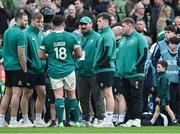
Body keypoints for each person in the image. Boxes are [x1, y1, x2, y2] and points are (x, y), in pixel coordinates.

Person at [39, 15, 82, 127]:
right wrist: (71, 55)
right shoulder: (71, 37)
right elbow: (79, 54)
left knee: (58, 97)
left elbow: (40, 55)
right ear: (64, 24)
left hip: (55, 70)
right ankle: (77, 121)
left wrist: (50, 56)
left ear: (53, 25)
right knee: (71, 95)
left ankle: (60, 122)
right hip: (69, 69)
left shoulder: (47, 38)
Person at [118, 18, 148, 127]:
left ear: (130, 26)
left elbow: (144, 54)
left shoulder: (140, 38)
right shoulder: (122, 40)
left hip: (136, 74)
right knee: (127, 96)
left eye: (123, 26)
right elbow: (119, 56)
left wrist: (135, 67)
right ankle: (130, 119)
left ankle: (137, 119)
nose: (122, 28)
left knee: (137, 96)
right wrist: (119, 69)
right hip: (124, 74)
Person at [0, 11, 28, 128]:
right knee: (17, 94)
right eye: (25, 20)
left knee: (7, 93)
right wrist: (25, 69)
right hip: (17, 67)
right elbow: (21, 55)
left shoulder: (6, 32)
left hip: (8, 67)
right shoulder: (20, 34)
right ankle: (13, 120)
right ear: (18, 19)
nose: (27, 23)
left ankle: (1, 120)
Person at [76, 16, 105, 127]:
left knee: (98, 97)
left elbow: (102, 54)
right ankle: (86, 119)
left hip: (94, 72)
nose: (83, 26)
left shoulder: (98, 37)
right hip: (81, 72)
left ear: (91, 24)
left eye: (85, 24)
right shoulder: (78, 38)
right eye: (81, 24)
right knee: (83, 98)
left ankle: (100, 118)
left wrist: (97, 67)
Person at [21, 12, 47, 127]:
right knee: (27, 93)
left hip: (40, 70)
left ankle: (38, 119)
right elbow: (23, 53)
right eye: (38, 21)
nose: (40, 24)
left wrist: (44, 63)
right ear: (32, 21)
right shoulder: (25, 33)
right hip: (30, 70)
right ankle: (25, 119)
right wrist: (28, 66)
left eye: (41, 21)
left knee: (42, 93)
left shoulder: (42, 34)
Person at [93, 12, 116, 127]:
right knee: (106, 93)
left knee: (108, 93)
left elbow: (107, 52)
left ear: (106, 22)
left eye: (99, 21)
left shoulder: (107, 34)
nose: (97, 23)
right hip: (103, 68)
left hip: (105, 68)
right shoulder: (103, 33)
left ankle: (108, 119)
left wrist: (98, 63)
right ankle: (107, 118)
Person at [147, 60, 179, 126]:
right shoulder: (160, 76)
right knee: (157, 109)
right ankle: (152, 122)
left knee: (167, 108)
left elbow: (163, 88)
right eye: (157, 67)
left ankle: (174, 121)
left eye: (159, 67)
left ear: (164, 68)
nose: (157, 69)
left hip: (164, 97)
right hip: (163, 96)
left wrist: (159, 97)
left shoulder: (164, 77)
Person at [160, 37, 180, 117]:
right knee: (166, 101)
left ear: (177, 45)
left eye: (173, 44)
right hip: (166, 82)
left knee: (175, 101)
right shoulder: (164, 53)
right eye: (169, 44)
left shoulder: (179, 55)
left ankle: (174, 117)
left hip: (176, 82)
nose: (170, 45)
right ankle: (166, 118)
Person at [111, 25, 126, 126]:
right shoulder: (115, 44)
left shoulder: (122, 43)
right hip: (114, 73)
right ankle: (115, 117)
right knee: (115, 96)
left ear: (116, 33)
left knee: (120, 96)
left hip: (119, 73)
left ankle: (121, 118)